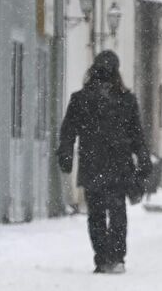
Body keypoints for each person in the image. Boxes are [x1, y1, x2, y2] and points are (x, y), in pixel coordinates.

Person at [56, 51, 151, 274]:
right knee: (117, 212)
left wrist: (66, 154)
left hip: (92, 164)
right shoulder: (126, 100)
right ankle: (116, 257)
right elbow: (137, 136)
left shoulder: (80, 99)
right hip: (118, 165)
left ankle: (102, 258)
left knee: (96, 214)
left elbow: (68, 131)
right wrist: (143, 159)